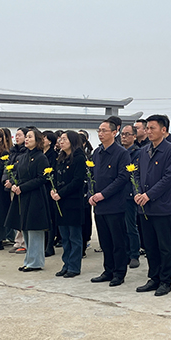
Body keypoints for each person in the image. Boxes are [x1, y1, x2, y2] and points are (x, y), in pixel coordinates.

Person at [134, 114, 171, 296]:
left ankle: (165, 280)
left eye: (152, 128)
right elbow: (136, 174)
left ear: (164, 130)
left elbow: (169, 178)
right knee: (150, 245)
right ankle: (153, 277)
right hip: (144, 206)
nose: (148, 131)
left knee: (164, 245)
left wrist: (149, 195)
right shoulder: (144, 151)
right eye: (147, 128)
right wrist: (138, 192)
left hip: (162, 207)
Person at [89, 120, 131, 287]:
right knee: (105, 241)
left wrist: (103, 194)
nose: (100, 134)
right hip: (99, 205)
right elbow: (91, 176)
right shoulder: (97, 152)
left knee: (117, 241)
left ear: (114, 133)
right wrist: (91, 194)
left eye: (104, 131)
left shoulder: (121, 153)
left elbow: (122, 178)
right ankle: (108, 270)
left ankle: (119, 273)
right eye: (99, 130)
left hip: (114, 204)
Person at [5, 128, 51, 272]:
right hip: (23, 196)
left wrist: (22, 187)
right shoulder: (24, 156)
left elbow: (42, 178)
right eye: (26, 137)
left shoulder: (41, 157)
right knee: (25, 228)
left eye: (30, 137)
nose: (27, 139)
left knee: (34, 230)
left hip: (35, 196)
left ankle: (36, 262)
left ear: (38, 140)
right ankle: (29, 260)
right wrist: (14, 184)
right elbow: (18, 174)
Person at [52, 131, 87, 278]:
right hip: (61, 201)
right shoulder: (61, 158)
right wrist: (54, 190)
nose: (61, 141)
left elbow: (77, 181)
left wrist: (61, 193)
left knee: (74, 237)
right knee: (65, 237)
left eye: (64, 139)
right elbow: (55, 176)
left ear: (72, 141)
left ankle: (74, 266)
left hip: (73, 202)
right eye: (60, 139)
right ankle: (66, 264)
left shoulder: (79, 158)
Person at [4, 127, 29, 254]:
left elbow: (21, 170)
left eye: (20, 135)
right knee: (16, 214)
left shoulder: (27, 152)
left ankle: (24, 243)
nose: (17, 137)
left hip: (20, 187)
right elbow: (7, 168)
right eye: (16, 135)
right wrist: (6, 180)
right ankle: (17, 241)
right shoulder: (12, 151)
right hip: (12, 187)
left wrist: (14, 182)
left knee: (22, 214)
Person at [120, 125, 142, 268]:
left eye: (127, 134)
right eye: (122, 134)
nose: (124, 137)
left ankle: (134, 254)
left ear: (134, 136)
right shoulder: (118, 151)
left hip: (130, 193)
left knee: (130, 226)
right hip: (117, 193)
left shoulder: (138, 153)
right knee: (120, 226)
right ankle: (124, 253)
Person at [42, 130, 59, 257]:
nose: (42, 140)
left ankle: (49, 245)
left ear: (50, 141)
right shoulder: (39, 154)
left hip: (49, 188)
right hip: (40, 189)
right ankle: (43, 244)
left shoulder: (54, 155)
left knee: (50, 218)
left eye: (44, 138)